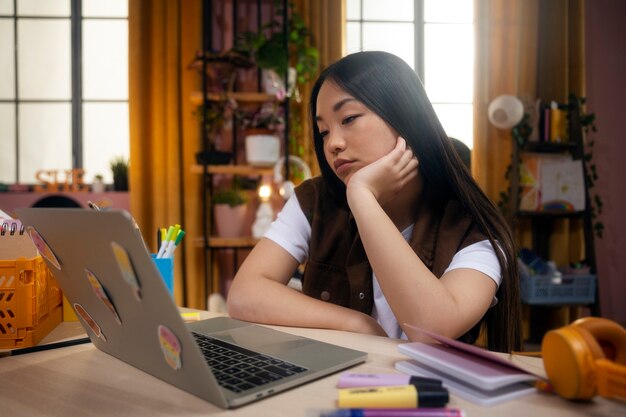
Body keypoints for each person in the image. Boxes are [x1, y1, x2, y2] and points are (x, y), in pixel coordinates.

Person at [227, 51, 522, 353]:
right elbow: (243, 295)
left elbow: (433, 327)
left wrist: (362, 197)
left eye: (349, 118)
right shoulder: (315, 200)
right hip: (331, 387)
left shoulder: (474, 229)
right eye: (324, 131)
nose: (332, 143)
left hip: (427, 395)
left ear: (404, 117)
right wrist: (358, 324)